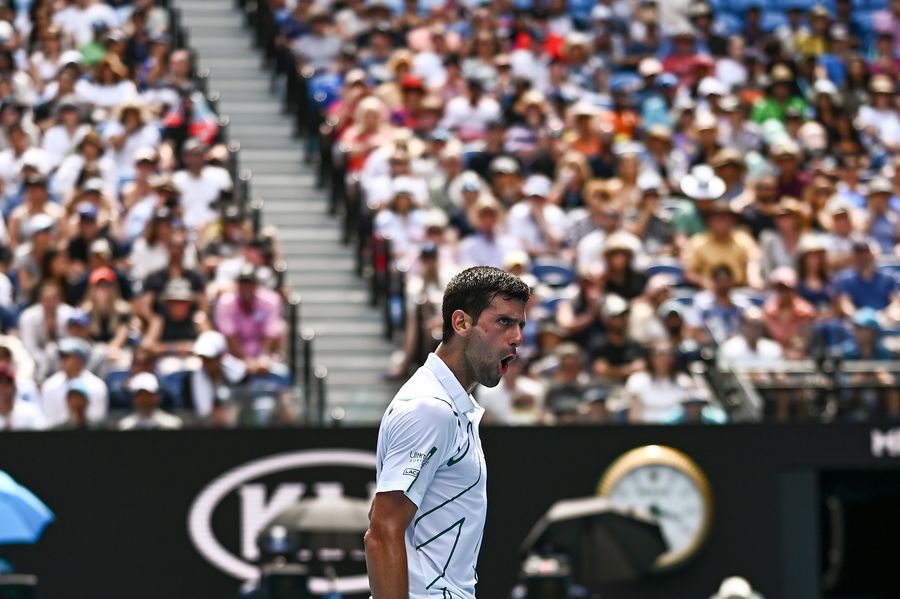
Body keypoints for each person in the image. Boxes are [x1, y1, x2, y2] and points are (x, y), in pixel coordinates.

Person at [366, 266, 529, 599]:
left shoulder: (449, 405)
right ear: (461, 323)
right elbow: (382, 531)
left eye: (520, 325)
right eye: (504, 322)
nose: (517, 338)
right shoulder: (431, 408)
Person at [39, 337, 108, 428]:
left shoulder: (97, 386)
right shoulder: (50, 385)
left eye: (67, 356)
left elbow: (97, 420)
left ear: (80, 360)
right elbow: (50, 420)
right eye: (61, 357)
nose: (62, 360)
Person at [118, 371, 183, 430]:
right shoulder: (124, 426)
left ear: (157, 396)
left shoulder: (173, 425)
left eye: (148, 394)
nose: (144, 399)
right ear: (133, 398)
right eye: (140, 395)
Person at [0, 365, 46, 431]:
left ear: (15, 387)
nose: (2, 388)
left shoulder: (30, 412)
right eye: (0, 382)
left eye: (8, 382)